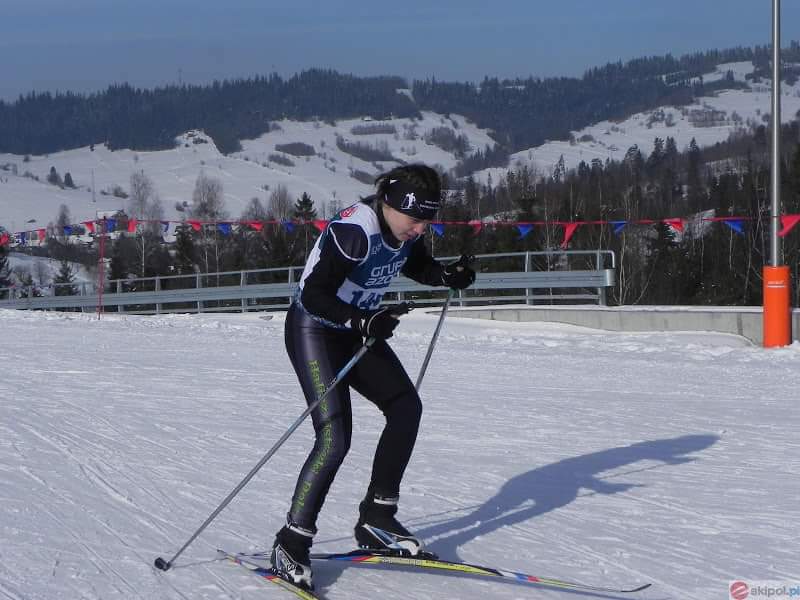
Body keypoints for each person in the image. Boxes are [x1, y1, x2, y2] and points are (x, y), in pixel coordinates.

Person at [270, 164, 476, 590]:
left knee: (405, 407)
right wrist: (361, 320)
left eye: (427, 221)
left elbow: (416, 263)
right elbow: (312, 295)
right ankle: (291, 542)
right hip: (315, 330)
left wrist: (445, 275)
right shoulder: (355, 230)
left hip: (356, 328)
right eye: (415, 219)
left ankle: (377, 518)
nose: (420, 229)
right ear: (388, 204)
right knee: (334, 437)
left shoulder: (403, 232)